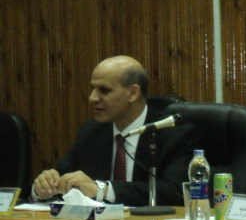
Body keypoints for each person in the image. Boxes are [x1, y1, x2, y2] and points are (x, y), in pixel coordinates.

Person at [32, 55, 195, 206]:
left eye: (104, 90)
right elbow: (63, 175)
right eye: (93, 88)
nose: (92, 98)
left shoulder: (173, 133)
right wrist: (44, 187)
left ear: (133, 93)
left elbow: (176, 192)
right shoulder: (92, 131)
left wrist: (102, 190)